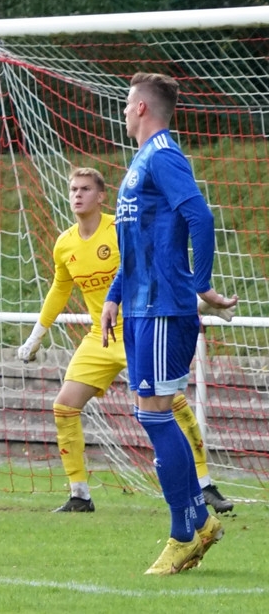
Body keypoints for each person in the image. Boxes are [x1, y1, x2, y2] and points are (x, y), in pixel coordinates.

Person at [18, 168, 235, 515]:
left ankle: (205, 485)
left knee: (173, 407)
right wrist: (36, 334)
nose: (77, 195)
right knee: (64, 406)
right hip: (99, 337)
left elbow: (153, 269)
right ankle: (80, 495)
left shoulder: (119, 229)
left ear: (101, 196)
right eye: (73, 188)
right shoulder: (65, 243)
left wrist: (189, 303)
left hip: (139, 329)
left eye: (85, 189)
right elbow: (60, 290)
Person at [100, 73, 237, 576]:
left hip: (163, 308)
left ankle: (189, 530)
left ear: (140, 108)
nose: (122, 110)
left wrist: (200, 285)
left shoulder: (162, 154)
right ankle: (194, 523)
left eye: (125, 103)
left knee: (156, 414)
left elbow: (200, 217)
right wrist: (115, 295)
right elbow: (140, 239)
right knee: (150, 414)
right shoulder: (140, 162)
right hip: (139, 306)